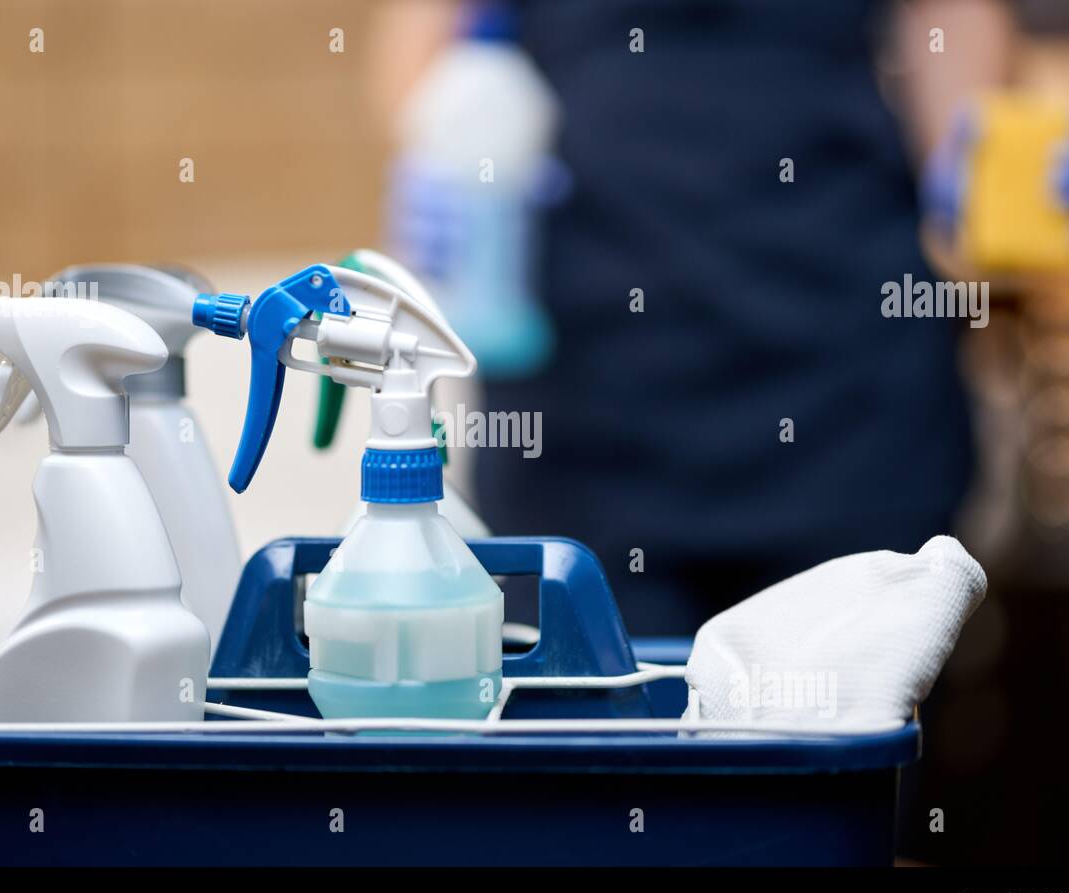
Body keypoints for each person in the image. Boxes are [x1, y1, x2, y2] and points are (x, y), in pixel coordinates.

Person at [371, 0, 1017, 635]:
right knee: (595, 728)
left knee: (842, 727)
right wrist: (442, 152)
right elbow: (426, 27)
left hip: (848, 392)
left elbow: (946, 17)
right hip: (580, 414)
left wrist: (989, 173)